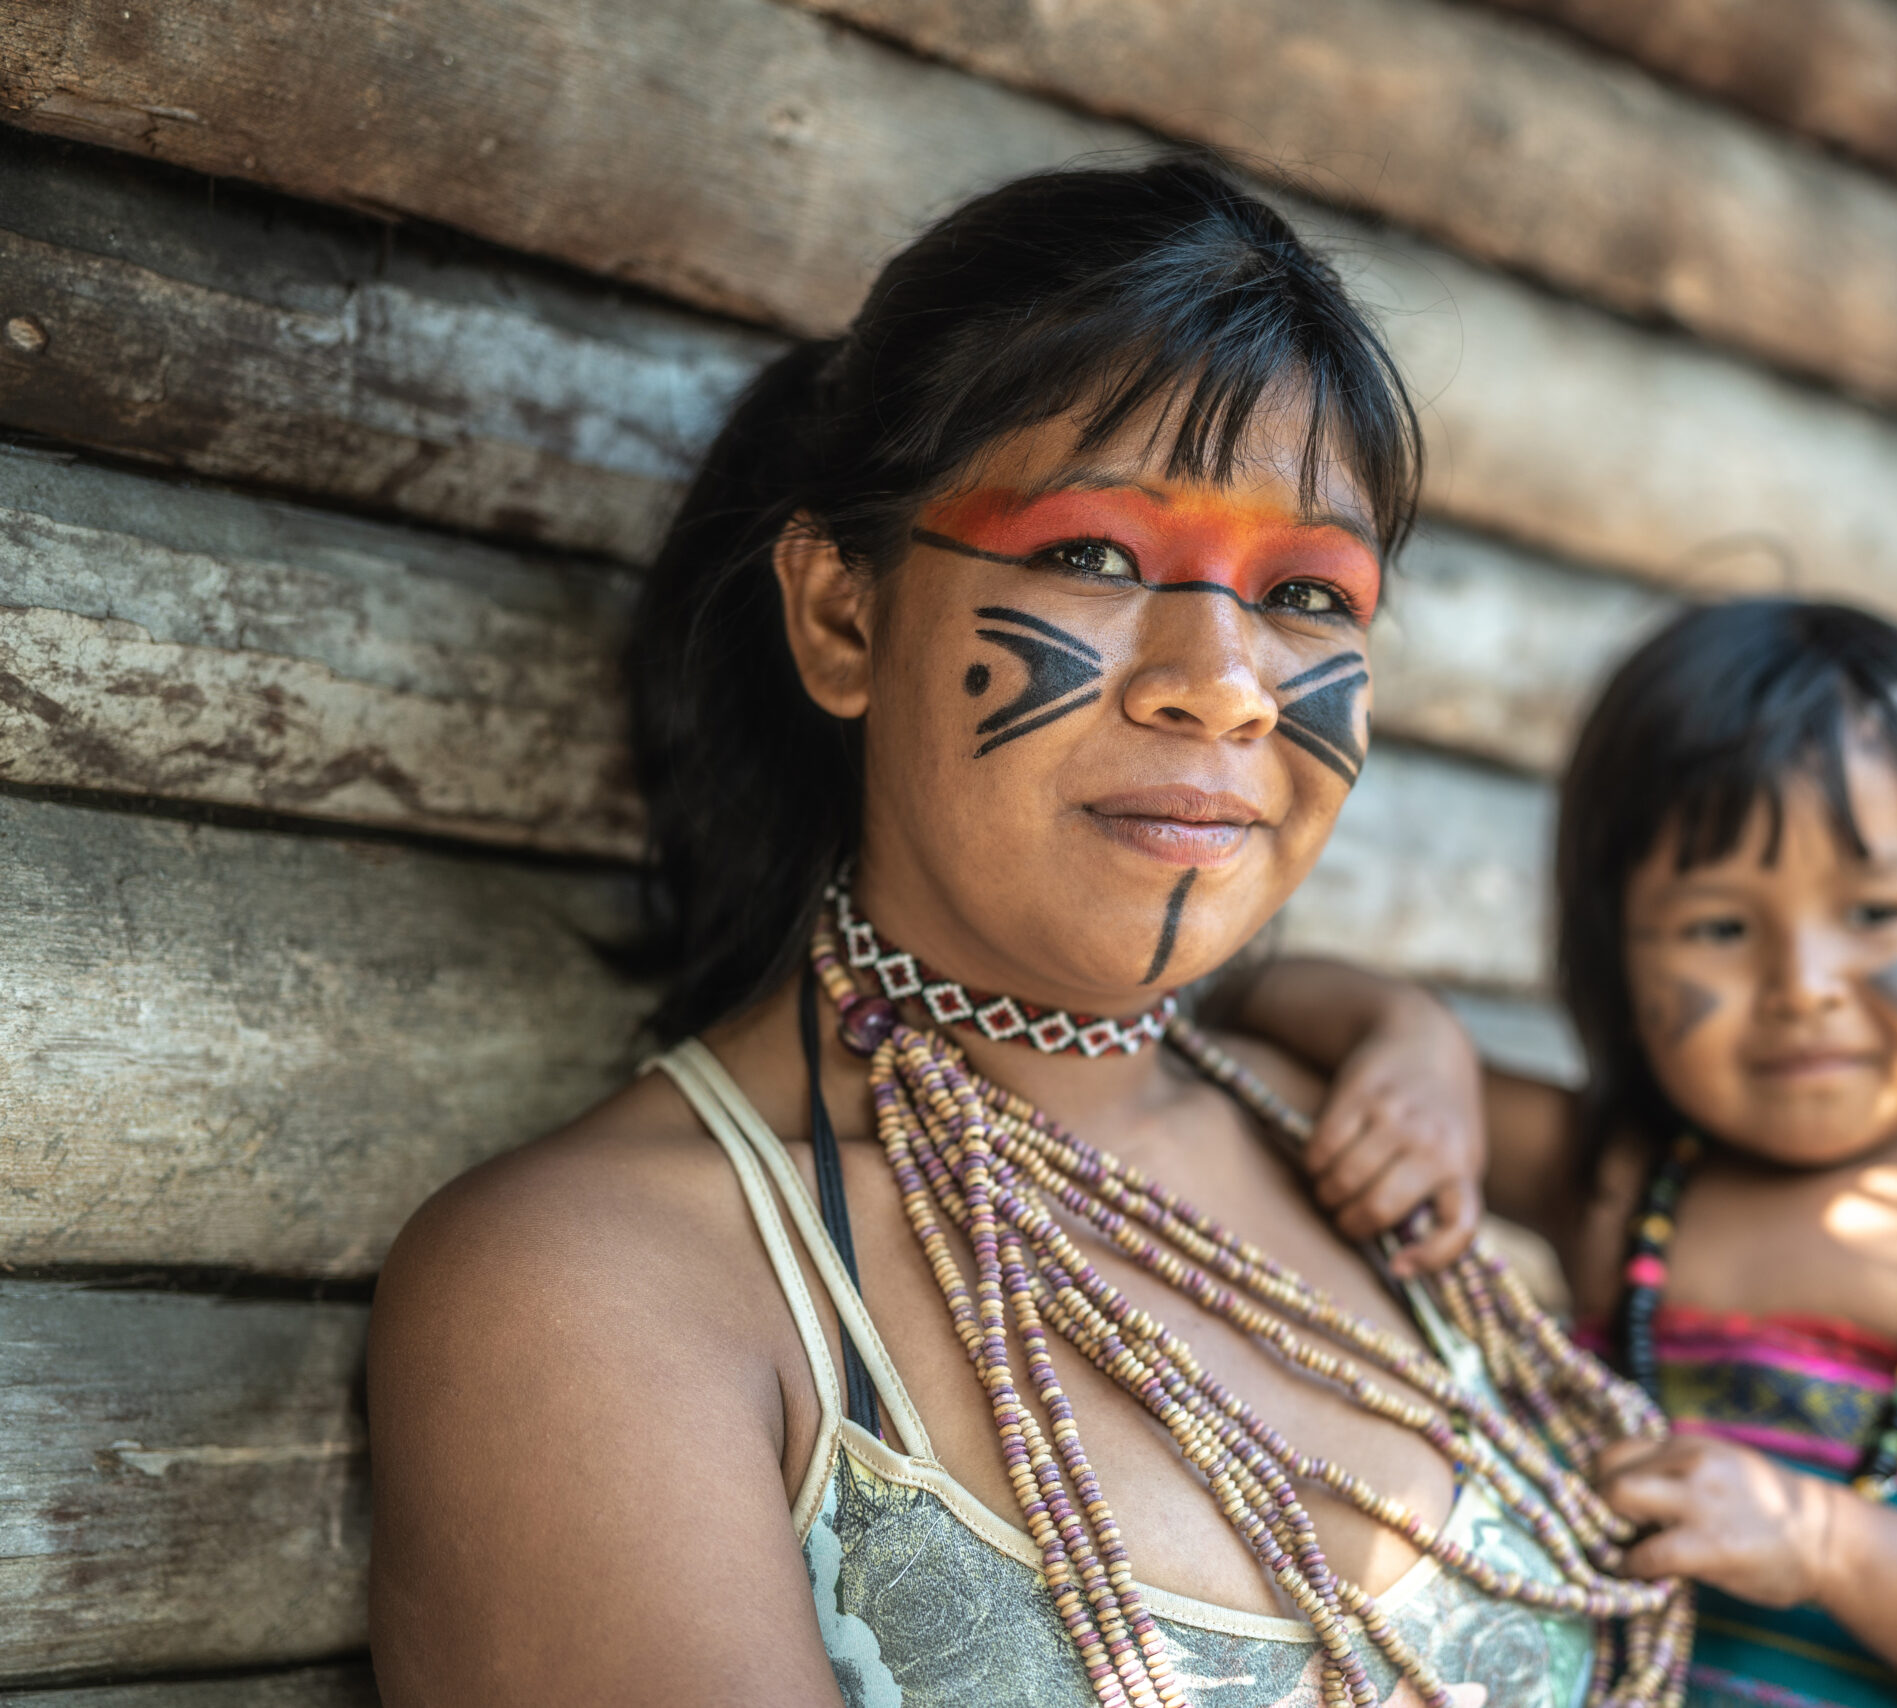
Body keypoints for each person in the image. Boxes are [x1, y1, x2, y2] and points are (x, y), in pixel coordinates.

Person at [365, 158, 1688, 1708]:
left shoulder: (1379, 1153)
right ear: (843, 618)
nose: (1226, 681)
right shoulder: (590, 1292)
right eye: (1091, 557)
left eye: (1308, 595)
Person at [1243, 600, 1897, 1708]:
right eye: (1720, 927)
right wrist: (1411, 1039)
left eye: (1874, 910)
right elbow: (1249, 993)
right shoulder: (1615, 1182)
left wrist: (1821, 1544)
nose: (1802, 983)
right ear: (1618, 961)